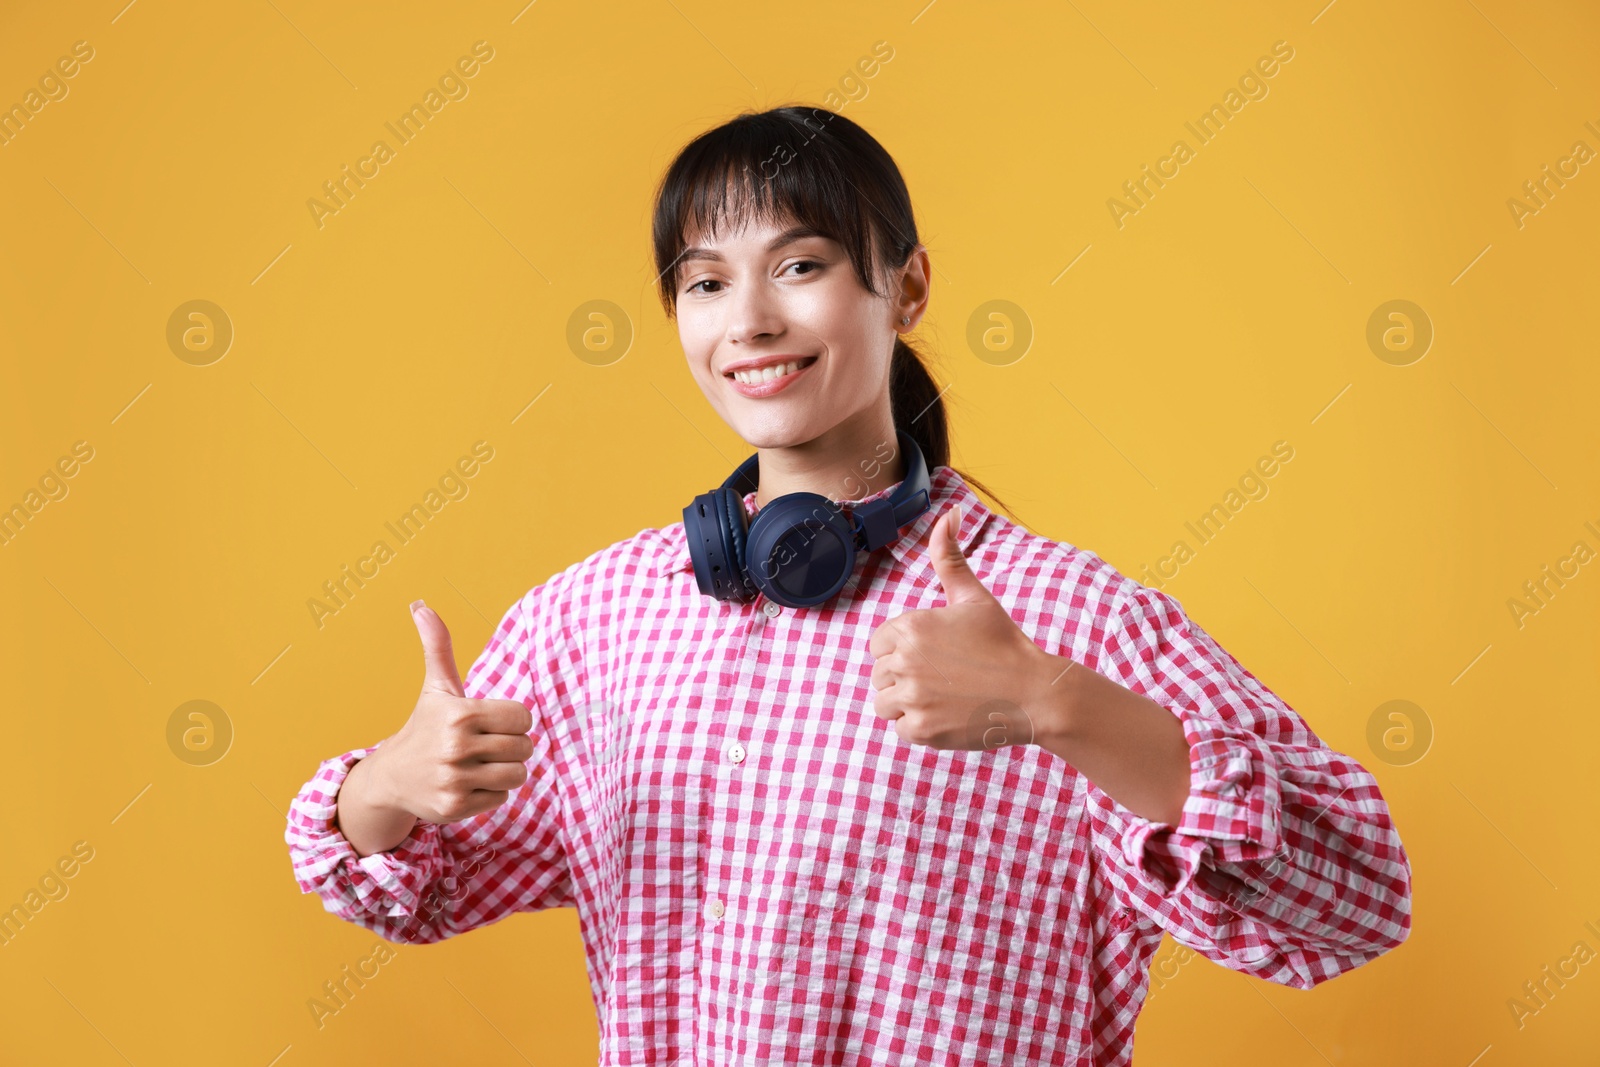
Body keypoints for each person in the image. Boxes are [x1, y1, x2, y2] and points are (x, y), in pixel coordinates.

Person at [284, 105, 1412, 1064]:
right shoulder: (595, 620)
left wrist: (1058, 705)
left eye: (801, 264)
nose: (751, 321)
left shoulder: (1072, 617)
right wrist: (389, 782)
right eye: (705, 281)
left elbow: (1356, 900)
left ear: (906, 285)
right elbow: (415, 887)